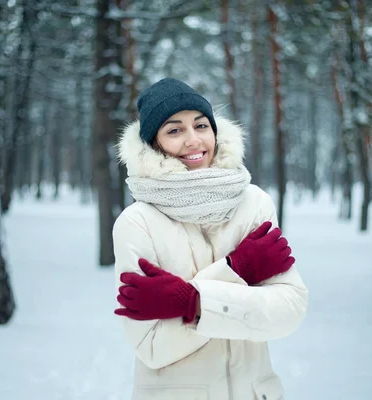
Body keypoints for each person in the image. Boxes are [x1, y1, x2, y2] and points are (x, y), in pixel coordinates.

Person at [113, 78, 308, 400]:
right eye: (174, 131)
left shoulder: (253, 203)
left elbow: (288, 312)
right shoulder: (137, 222)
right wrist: (237, 271)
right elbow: (152, 346)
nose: (193, 140)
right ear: (153, 143)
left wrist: (189, 303)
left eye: (201, 125)